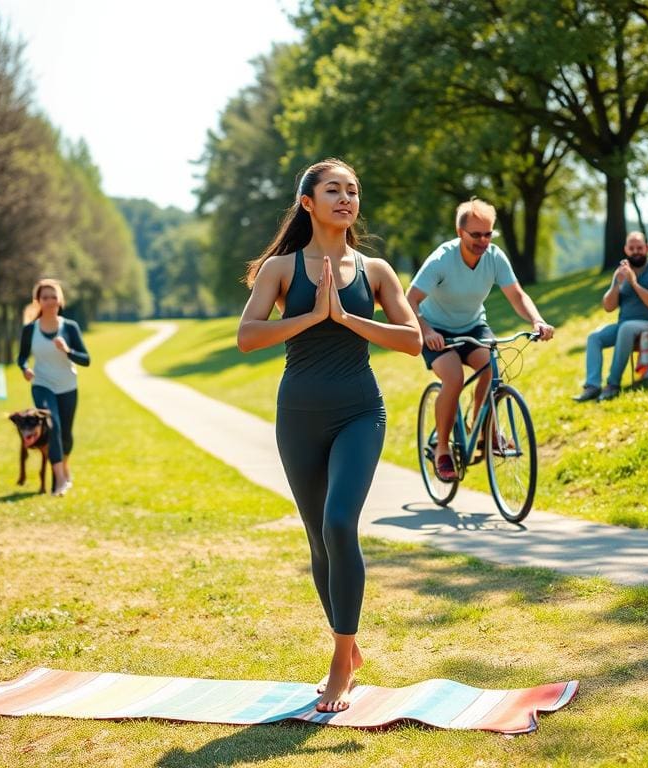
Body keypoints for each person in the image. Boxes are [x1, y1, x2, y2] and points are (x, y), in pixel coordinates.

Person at [236, 159, 421, 713]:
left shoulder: (376, 270)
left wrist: (346, 318)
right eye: (333, 190)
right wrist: (313, 317)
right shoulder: (281, 269)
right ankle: (348, 642)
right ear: (308, 203)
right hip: (298, 416)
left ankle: (342, 661)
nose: (346, 199)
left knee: (340, 523)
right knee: (319, 537)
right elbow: (247, 336)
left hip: (359, 412)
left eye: (353, 191)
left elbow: (412, 340)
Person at [405, 198, 554, 482]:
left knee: (491, 369)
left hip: (473, 327)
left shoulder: (495, 257)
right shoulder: (442, 259)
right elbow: (409, 299)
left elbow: (517, 295)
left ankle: (484, 429)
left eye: (488, 234)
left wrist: (537, 320)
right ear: (460, 232)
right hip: (437, 331)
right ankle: (443, 450)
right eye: (476, 235)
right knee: (454, 378)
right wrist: (427, 331)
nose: (483, 241)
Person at [573, 231, 648, 402]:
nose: (636, 251)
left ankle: (613, 384)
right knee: (594, 337)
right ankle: (592, 386)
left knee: (626, 328)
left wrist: (633, 282)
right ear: (626, 249)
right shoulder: (621, 272)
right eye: (632, 248)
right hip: (624, 324)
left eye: (639, 247)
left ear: (647, 248)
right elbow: (608, 307)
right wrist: (617, 284)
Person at [16, 278, 90, 496]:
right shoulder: (30, 330)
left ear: (60, 300)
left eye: (53, 297)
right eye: (45, 297)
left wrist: (67, 351)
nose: (49, 301)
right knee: (53, 425)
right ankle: (59, 480)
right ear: (38, 301)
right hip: (42, 384)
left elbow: (86, 360)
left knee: (65, 434)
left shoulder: (70, 327)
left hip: (67, 385)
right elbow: (21, 357)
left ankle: (64, 468)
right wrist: (25, 368)